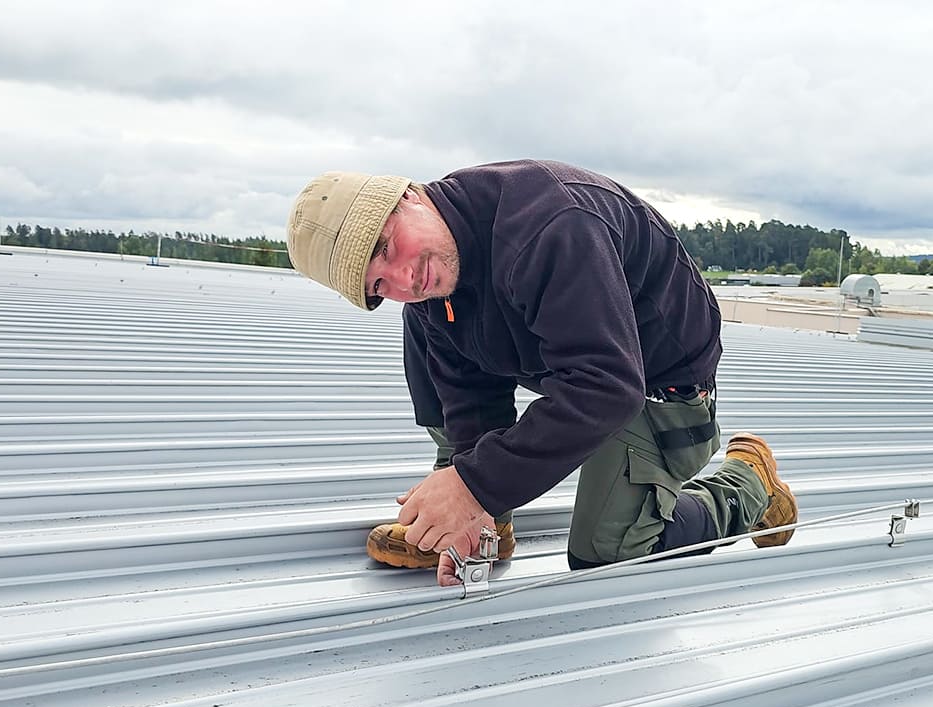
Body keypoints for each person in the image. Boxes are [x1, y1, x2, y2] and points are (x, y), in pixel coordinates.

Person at [285, 160, 797, 585]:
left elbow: (606, 387)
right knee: (425, 323)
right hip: (566, 356)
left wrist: (474, 484)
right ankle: (486, 521)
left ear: (410, 198)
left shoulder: (551, 223)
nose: (403, 278)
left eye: (386, 247)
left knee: (608, 552)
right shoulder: (431, 277)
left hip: (655, 375)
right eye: (378, 285)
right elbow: (469, 395)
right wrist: (476, 503)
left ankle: (749, 484)